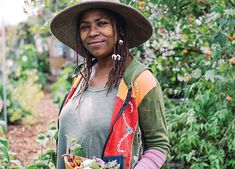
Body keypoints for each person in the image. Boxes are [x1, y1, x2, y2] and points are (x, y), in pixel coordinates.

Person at [50, 0, 170, 168]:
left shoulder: (139, 80)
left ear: (120, 30)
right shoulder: (82, 76)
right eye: (85, 27)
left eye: (102, 23)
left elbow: (158, 145)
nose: (92, 32)